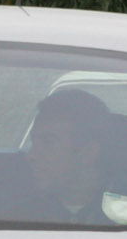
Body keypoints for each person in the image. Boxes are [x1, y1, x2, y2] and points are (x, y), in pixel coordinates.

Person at [22, 87, 114, 225]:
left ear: (88, 152)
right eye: (34, 142)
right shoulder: (15, 216)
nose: (31, 156)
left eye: (48, 142)